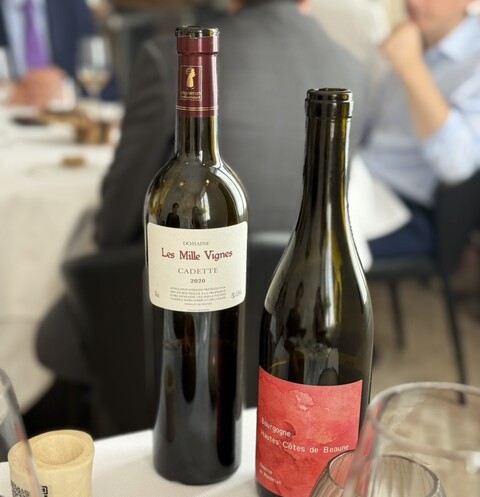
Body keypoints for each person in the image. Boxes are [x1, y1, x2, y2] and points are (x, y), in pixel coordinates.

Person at [35, 0, 370, 389]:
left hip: (163, 333)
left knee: (52, 332)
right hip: (291, 331)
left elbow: (113, 224)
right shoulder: (353, 69)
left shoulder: (164, 59)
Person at [359, 0, 480, 259]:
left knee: (299, 239)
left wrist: (411, 68)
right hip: (365, 184)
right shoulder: (411, 40)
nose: (413, 2)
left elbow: (457, 165)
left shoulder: (472, 62)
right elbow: (368, 131)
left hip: (409, 211)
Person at [0, 0, 117, 106]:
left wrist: (66, 91)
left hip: (62, 116)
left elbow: (108, 91)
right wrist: (10, 94)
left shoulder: (72, 4)